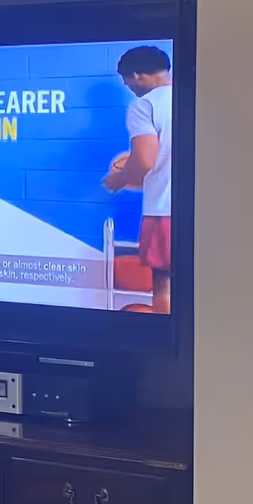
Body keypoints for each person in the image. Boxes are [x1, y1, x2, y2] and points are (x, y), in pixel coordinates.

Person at [103, 45, 172, 313]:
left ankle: (167, 344)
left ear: (137, 75)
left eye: (127, 81)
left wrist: (119, 179)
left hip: (164, 210)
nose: (129, 87)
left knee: (164, 283)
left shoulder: (145, 105)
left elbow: (144, 160)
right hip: (204, 211)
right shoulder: (199, 96)